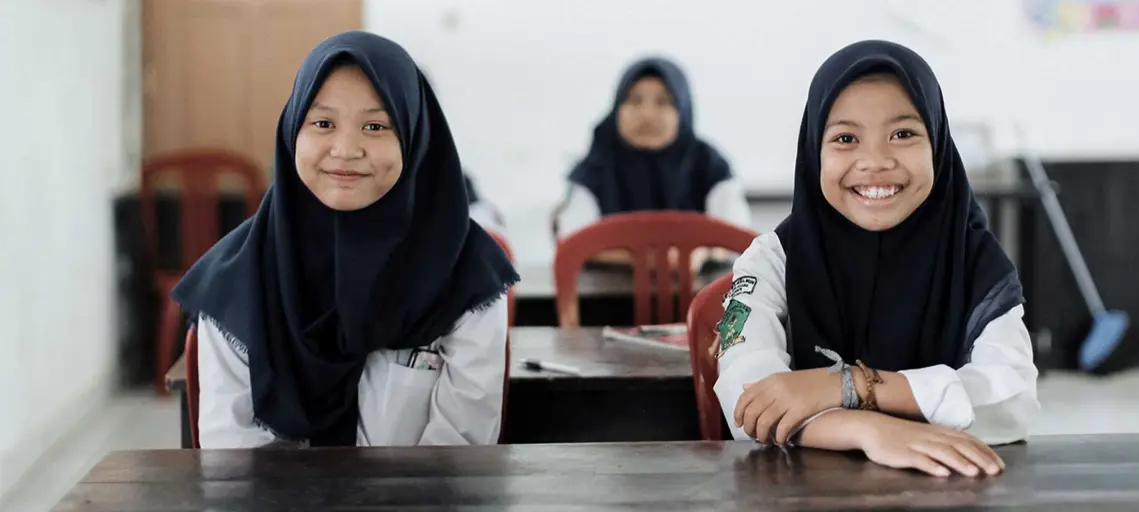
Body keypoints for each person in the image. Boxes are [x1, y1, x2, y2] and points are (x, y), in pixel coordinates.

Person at [171, 31, 519, 448]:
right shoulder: (239, 276)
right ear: (292, 130)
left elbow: (461, 450)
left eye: (375, 126)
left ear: (414, 136)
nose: (346, 148)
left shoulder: (466, 271)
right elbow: (231, 457)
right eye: (323, 123)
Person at [713, 40, 1038, 478]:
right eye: (845, 139)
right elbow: (747, 398)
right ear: (814, 153)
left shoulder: (976, 261)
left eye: (903, 134)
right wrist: (867, 430)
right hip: (799, 496)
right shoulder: (773, 259)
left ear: (938, 145)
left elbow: (1011, 398)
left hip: (949, 492)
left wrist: (845, 386)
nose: (875, 162)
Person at [553, 57, 751, 267]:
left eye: (663, 102)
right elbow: (573, 240)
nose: (647, 114)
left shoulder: (711, 165)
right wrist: (644, 259)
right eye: (634, 100)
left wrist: (700, 254)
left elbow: (737, 236)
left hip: (701, 295)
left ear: (683, 110)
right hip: (605, 298)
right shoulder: (593, 168)